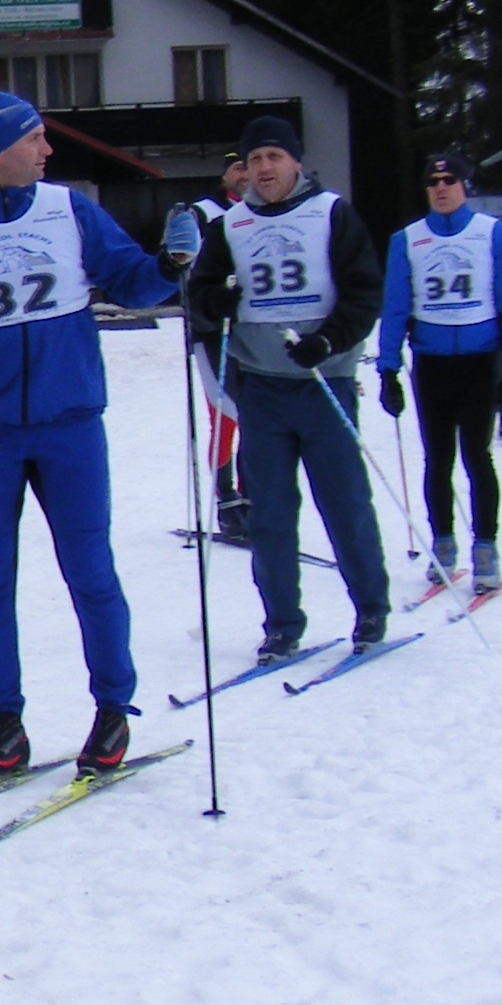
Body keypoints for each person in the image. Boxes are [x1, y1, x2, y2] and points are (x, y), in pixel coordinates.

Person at [0, 90, 181, 781]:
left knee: (90, 571)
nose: (48, 150)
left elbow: (134, 283)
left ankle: (112, 710)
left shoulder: (69, 209)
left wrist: (168, 264)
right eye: (35, 139)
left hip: (69, 422)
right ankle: (5, 725)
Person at [181, 115, 392, 659]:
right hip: (263, 389)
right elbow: (198, 294)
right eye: (254, 160)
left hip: (325, 382)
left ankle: (370, 608)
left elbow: (365, 292)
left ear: (295, 161)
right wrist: (214, 302)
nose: (264, 169)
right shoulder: (232, 225)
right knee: (270, 513)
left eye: (274, 157)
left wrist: (329, 340)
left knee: (344, 503)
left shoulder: (331, 213)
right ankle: (281, 621)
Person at [373, 154, 502, 589]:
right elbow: (396, 307)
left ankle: (486, 547)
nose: (441, 188)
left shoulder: (493, 234)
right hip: (432, 363)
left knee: (477, 455)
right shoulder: (407, 239)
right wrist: (388, 370)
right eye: (433, 181)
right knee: (437, 459)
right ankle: (443, 543)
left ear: (464, 185)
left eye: (449, 180)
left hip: (481, 362)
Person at [173, 149, 254, 540]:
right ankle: (226, 500)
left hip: (247, 330)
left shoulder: (262, 210)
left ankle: (251, 496)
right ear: (225, 176)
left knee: (255, 415)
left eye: (248, 167)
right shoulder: (204, 213)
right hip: (211, 329)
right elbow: (183, 261)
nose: (245, 175)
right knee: (224, 414)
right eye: (237, 168)